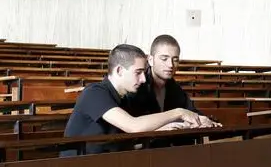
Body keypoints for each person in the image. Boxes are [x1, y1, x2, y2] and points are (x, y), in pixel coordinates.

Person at [63, 44, 203, 154]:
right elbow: (133, 126)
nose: (143, 79)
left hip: (109, 164)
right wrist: (179, 112)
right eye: (138, 72)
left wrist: (159, 129)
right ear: (119, 71)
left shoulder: (126, 98)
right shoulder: (94, 93)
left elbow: (133, 135)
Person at [125, 34, 219, 129]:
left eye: (175, 60)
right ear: (150, 60)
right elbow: (132, 125)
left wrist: (203, 121)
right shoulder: (137, 85)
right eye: (164, 59)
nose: (170, 65)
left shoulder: (175, 88)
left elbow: (192, 112)